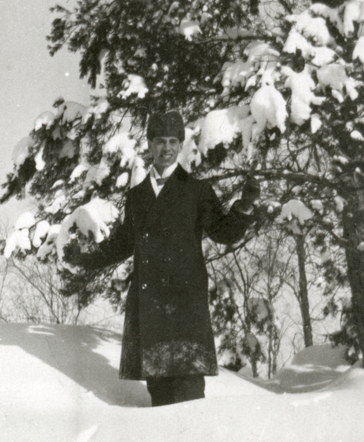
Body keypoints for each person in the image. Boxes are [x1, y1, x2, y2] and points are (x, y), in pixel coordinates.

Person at [64, 110, 259, 407]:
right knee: (160, 397)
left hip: (185, 308)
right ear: (150, 145)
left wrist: (243, 207)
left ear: (180, 145)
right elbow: (122, 244)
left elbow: (223, 232)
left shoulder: (197, 191)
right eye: (159, 141)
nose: (166, 148)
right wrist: (85, 259)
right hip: (151, 308)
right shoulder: (137, 197)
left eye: (172, 141)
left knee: (189, 396)